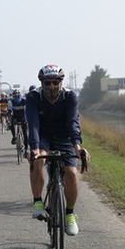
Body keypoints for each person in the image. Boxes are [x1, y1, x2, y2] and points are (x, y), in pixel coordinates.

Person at [26, 64, 83, 236]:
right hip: (43, 135)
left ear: (60, 82)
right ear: (41, 82)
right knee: (39, 159)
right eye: (47, 82)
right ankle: (37, 202)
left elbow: (73, 122)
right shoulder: (34, 97)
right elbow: (33, 124)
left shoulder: (70, 96)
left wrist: (78, 147)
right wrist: (35, 148)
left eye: (55, 82)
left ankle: (70, 214)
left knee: (72, 173)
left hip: (64, 136)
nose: (51, 86)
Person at [9, 88, 29, 157]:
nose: (16, 98)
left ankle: (26, 149)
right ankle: (14, 137)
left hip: (23, 117)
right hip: (15, 117)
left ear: (20, 96)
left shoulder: (24, 101)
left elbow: (27, 112)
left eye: (18, 96)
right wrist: (9, 120)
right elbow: (9, 112)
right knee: (11, 124)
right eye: (15, 96)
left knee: (25, 134)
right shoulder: (11, 102)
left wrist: (27, 120)